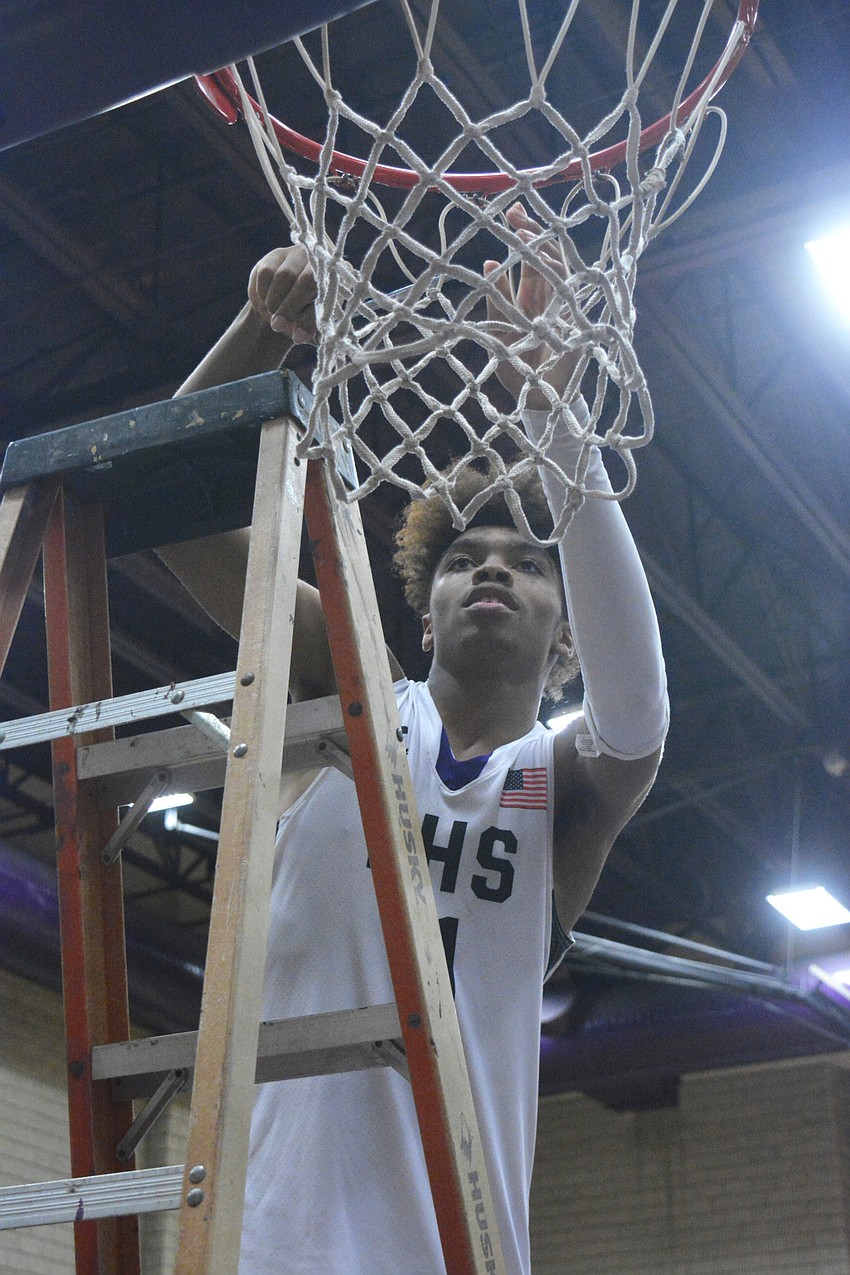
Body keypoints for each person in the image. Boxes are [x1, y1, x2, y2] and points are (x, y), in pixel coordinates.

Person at [159, 203, 668, 1275]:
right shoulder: (347, 695)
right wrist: (259, 328)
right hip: (272, 1246)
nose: (490, 568)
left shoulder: (555, 783)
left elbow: (639, 717)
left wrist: (554, 411)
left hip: (453, 1251)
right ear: (422, 612)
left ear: (564, 635)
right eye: (462, 560)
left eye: (526, 562)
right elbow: (175, 512)